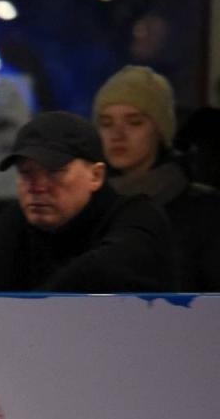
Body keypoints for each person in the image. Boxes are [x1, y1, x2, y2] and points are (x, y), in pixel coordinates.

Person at [0, 111, 175, 293]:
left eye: (55, 171)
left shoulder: (136, 216)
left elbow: (101, 271)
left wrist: (26, 313)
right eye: (26, 173)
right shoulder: (18, 223)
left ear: (96, 175)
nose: (38, 187)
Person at [93, 66, 220, 292]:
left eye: (134, 122)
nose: (117, 135)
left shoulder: (203, 210)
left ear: (160, 130)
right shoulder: (88, 207)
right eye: (106, 123)